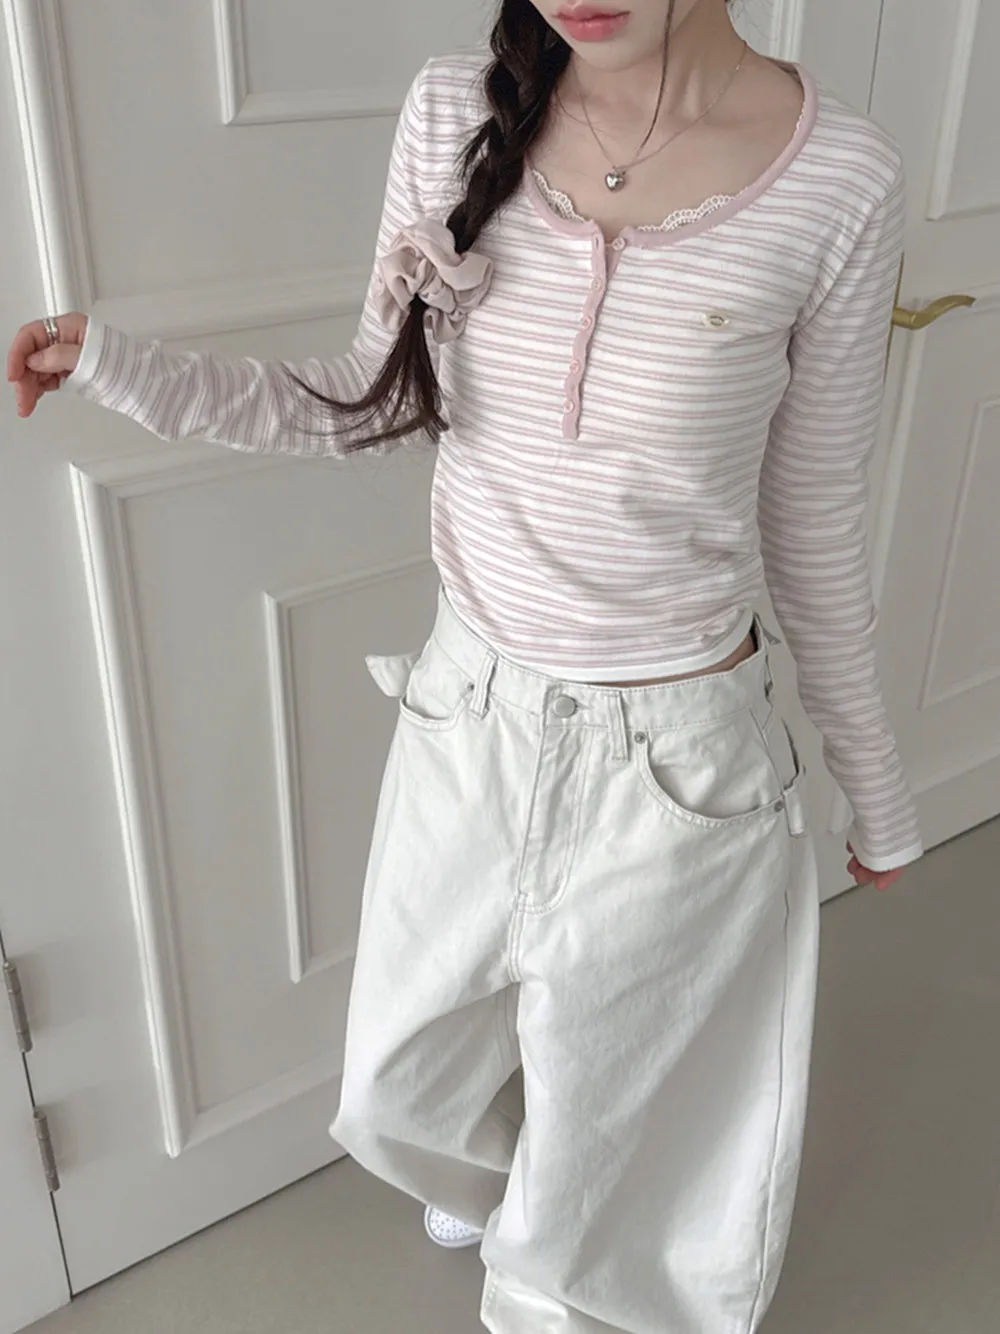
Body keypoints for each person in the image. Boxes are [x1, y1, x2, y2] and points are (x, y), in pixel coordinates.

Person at [7, 0, 924, 1329]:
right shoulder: (458, 110)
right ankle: (518, 1184)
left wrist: (874, 784)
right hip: (470, 710)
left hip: (678, 760)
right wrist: (124, 370)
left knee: (588, 1210)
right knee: (395, 1090)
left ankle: (565, 1250)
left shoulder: (843, 179)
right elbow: (371, 397)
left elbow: (814, 520)